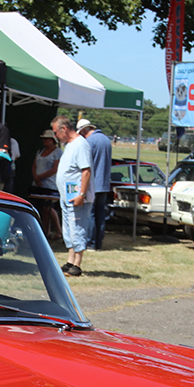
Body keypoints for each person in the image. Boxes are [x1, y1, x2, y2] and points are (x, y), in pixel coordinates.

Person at [52, 115, 93, 276]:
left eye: (56, 133)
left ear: (64, 129)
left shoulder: (80, 144)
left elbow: (86, 171)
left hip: (77, 196)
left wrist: (81, 194)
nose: (55, 136)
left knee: (77, 228)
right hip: (66, 196)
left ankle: (77, 263)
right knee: (68, 229)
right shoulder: (69, 145)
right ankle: (70, 260)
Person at [78, 118, 114, 249]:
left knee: (90, 214)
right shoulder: (106, 140)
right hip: (104, 184)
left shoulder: (89, 142)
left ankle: (90, 243)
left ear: (84, 130)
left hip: (93, 183)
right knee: (100, 214)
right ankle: (99, 242)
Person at [30, 128, 63, 238]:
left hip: (50, 185)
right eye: (43, 139)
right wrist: (36, 177)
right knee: (42, 208)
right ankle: (45, 231)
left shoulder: (58, 152)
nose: (44, 141)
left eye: (47, 139)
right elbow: (34, 165)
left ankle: (58, 230)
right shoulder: (40, 151)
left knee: (48, 208)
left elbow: (55, 169)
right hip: (38, 185)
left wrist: (40, 177)